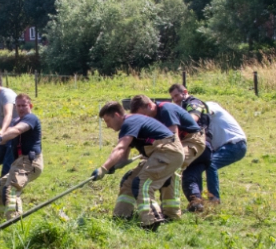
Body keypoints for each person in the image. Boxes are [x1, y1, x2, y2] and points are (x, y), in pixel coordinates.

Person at [92, 102, 184, 231]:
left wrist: (104, 168)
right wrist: (112, 167)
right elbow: (123, 157)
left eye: (108, 121)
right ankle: (121, 217)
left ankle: (151, 222)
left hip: (168, 151)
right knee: (129, 181)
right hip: (158, 153)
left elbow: (120, 148)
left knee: (142, 183)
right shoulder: (129, 126)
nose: (107, 126)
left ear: (117, 115)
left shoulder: (130, 122)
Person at [129, 95, 206, 220]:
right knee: (165, 165)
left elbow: (172, 139)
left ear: (149, 105)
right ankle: (165, 211)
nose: (144, 118)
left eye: (144, 114)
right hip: (174, 143)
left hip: (191, 140)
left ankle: (172, 214)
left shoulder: (166, 109)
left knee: (173, 165)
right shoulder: (152, 116)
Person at [180, 101, 247, 207]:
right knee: (200, 165)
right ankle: (198, 200)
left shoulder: (208, 105)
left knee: (211, 164)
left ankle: (214, 200)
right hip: (224, 146)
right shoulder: (204, 117)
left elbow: (204, 111)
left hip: (235, 144)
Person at [0, 93, 42, 221]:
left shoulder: (31, 119)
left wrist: (0, 136)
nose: (21, 108)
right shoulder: (14, 122)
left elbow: (17, 131)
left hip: (30, 162)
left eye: (24, 105)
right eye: (18, 106)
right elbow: (4, 140)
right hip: (18, 163)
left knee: (11, 188)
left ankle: (15, 223)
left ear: (30, 106)